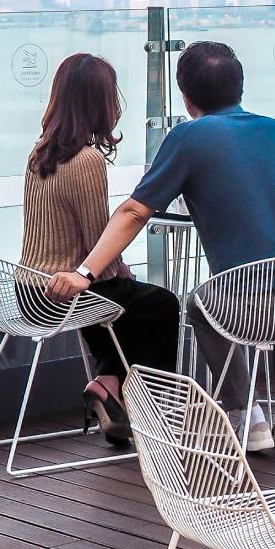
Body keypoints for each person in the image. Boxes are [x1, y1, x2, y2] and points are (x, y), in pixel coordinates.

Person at [49, 40, 275, 453]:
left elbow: (133, 212)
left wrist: (84, 272)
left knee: (200, 304)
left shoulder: (187, 138)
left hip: (255, 308)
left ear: (185, 95)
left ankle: (248, 417)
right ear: (240, 87)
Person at [18, 52, 181, 446]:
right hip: (62, 292)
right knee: (160, 305)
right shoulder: (87, 159)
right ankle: (151, 411)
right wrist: (123, 273)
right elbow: (98, 248)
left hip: (30, 288)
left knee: (124, 303)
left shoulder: (40, 152)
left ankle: (108, 383)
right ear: (101, 102)